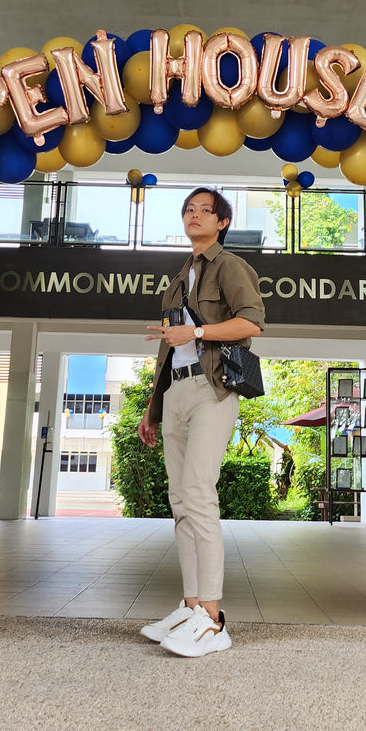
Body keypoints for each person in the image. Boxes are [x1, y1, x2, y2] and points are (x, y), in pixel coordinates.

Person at [138, 187, 264, 658]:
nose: (194, 216)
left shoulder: (229, 266)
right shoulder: (177, 279)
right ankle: (190, 606)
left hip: (213, 389)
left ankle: (212, 620)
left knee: (198, 495)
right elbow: (168, 350)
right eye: (188, 211)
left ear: (222, 222)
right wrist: (153, 408)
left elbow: (251, 323)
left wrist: (196, 330)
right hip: (176, 392)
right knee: (179, 502)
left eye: (204, 211)